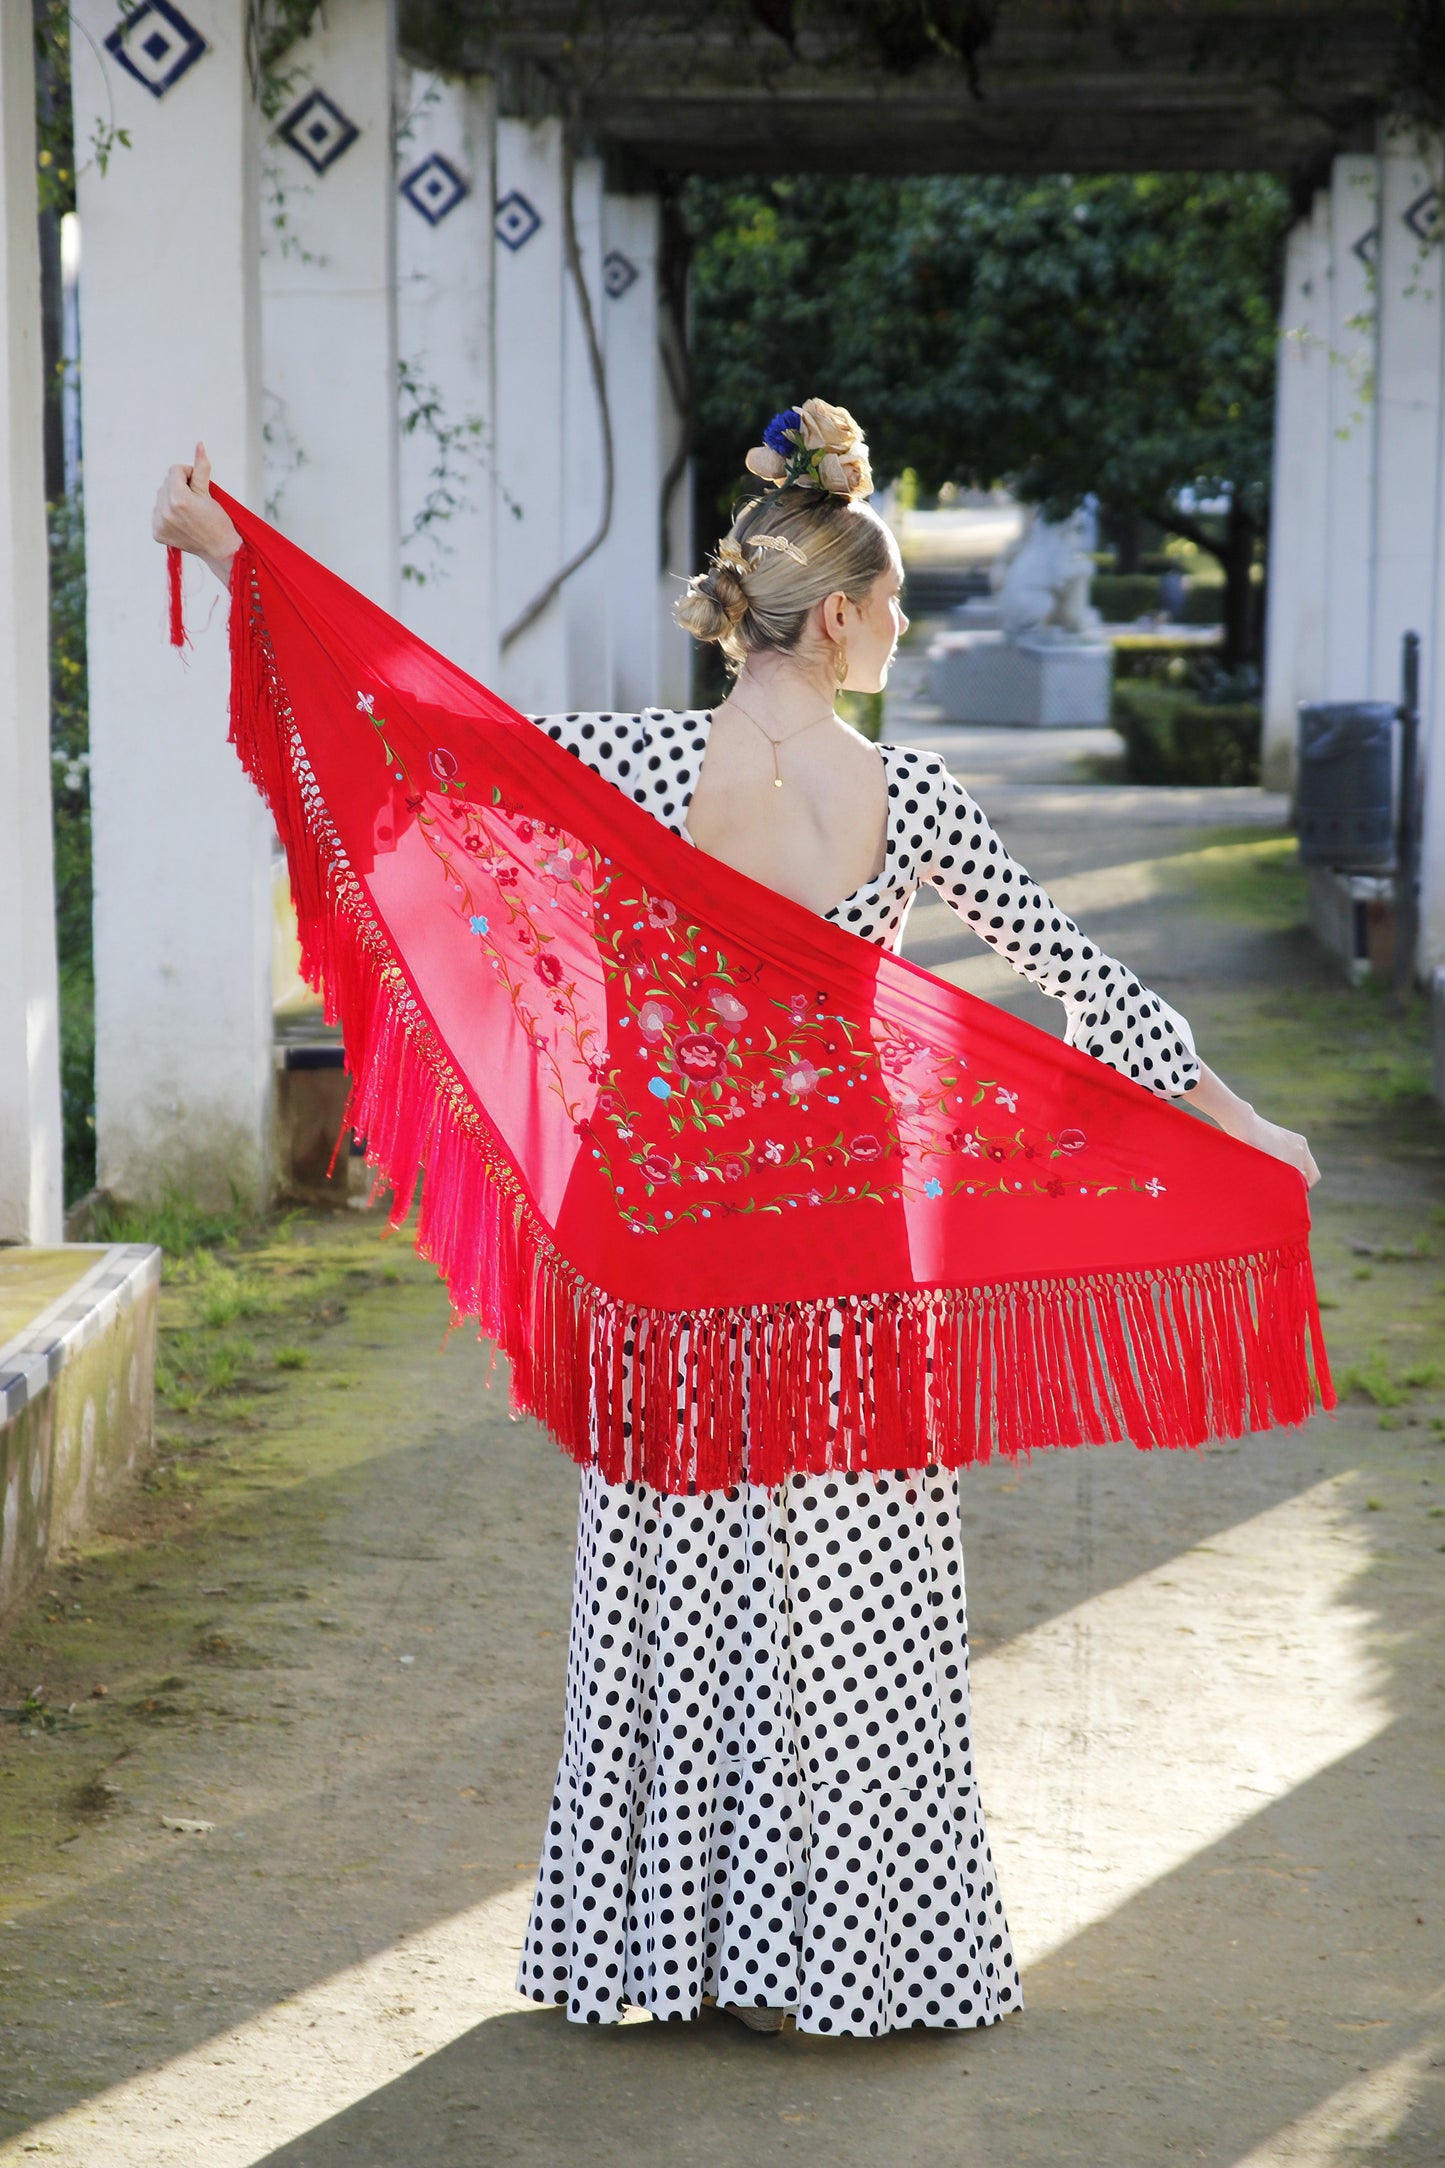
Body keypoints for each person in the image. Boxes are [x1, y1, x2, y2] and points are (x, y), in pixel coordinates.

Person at [154, 400, 1317, 2040]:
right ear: (834, 613)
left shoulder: (631, 766)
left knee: (677, 1575)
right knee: (853, 1588)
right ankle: (839, 1961)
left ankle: (661, 1955)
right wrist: (1232, 1121)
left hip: (676, 1248)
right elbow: (1079, 982)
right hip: (847, 1244)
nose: (902, 629)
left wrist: (236, 553)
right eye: (896, 601)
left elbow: (413, 718)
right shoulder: (906, 799)